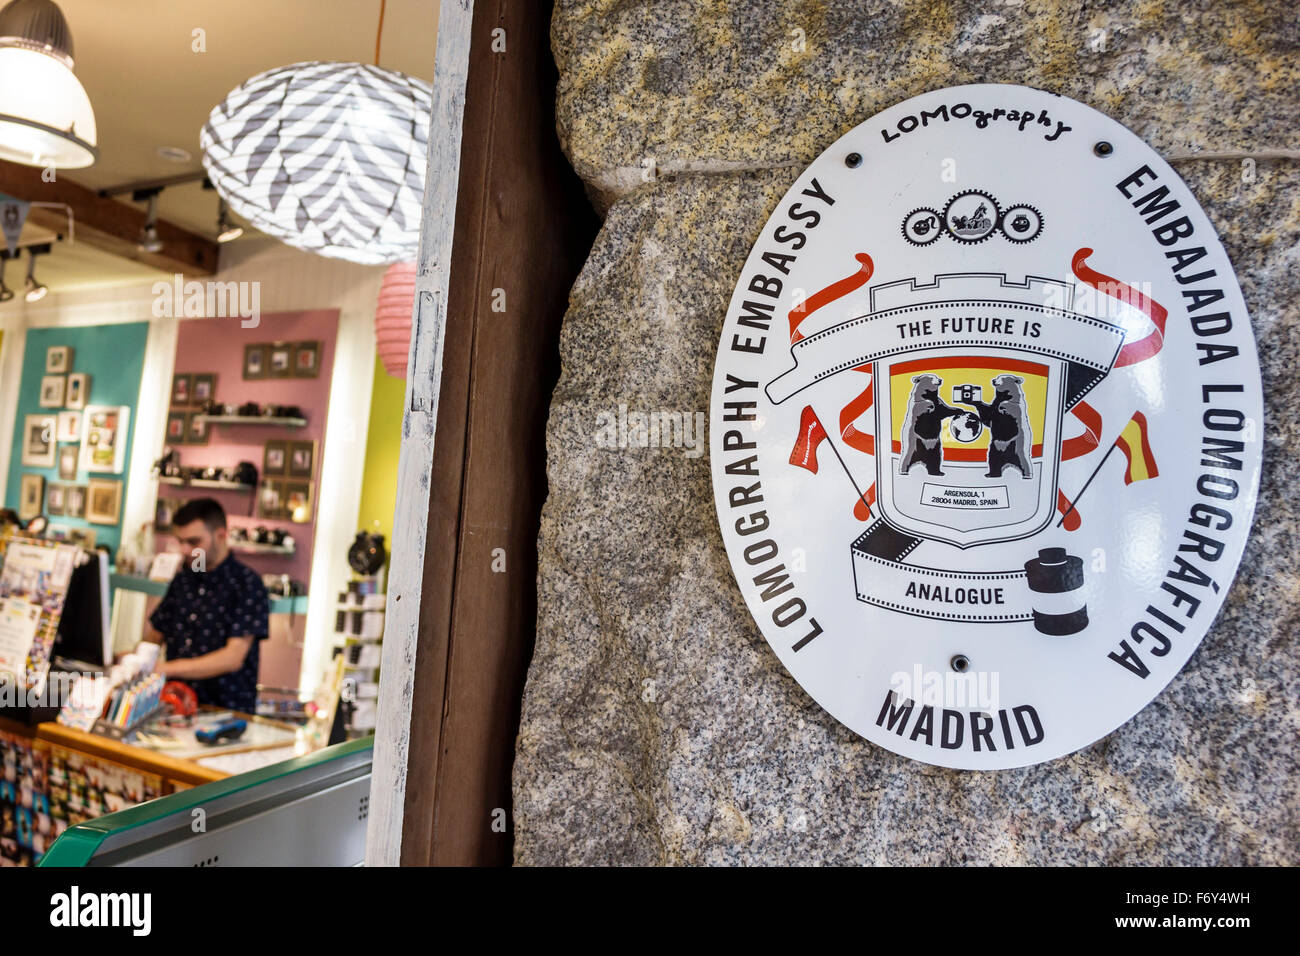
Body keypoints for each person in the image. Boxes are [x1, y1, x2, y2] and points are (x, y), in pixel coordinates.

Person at [144, 498, 269, 713]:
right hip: (174, 706)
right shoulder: (184, 579)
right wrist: (134, 660)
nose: (185, 550)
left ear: (221, 535)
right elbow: (155, 636)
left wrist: (164, 668)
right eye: (180, 541)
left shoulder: (247, 584)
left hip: (225, 713)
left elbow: (232, 658)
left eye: (194, 542)